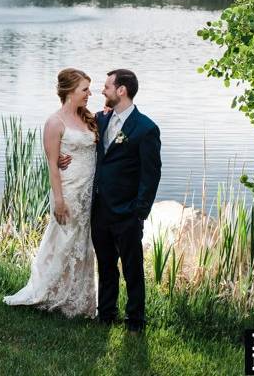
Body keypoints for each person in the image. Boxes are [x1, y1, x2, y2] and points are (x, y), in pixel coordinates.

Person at [60, 68, 161, 333]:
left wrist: (138, 211)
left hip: (127, 212)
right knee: (105, 265)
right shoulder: (101, 120)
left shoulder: (146, 129)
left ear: (121, 90)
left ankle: (135, 320)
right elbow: (75, 133)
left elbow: (151, 176)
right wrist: (62, 157)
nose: (102, 91)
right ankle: (106, 314)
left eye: (106, 86)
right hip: (100, 208)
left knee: (132, 268)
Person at [3, 68, 99, 318]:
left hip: (88, 191)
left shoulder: (88, 118)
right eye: (85, 89)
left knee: (82, 243)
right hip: (67, 191)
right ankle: (51, 292)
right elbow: (52, 165)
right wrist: (58, 200)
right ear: (70, 91)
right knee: (63, 242)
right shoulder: (55, 122)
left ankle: (80, 298)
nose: (90, 93)